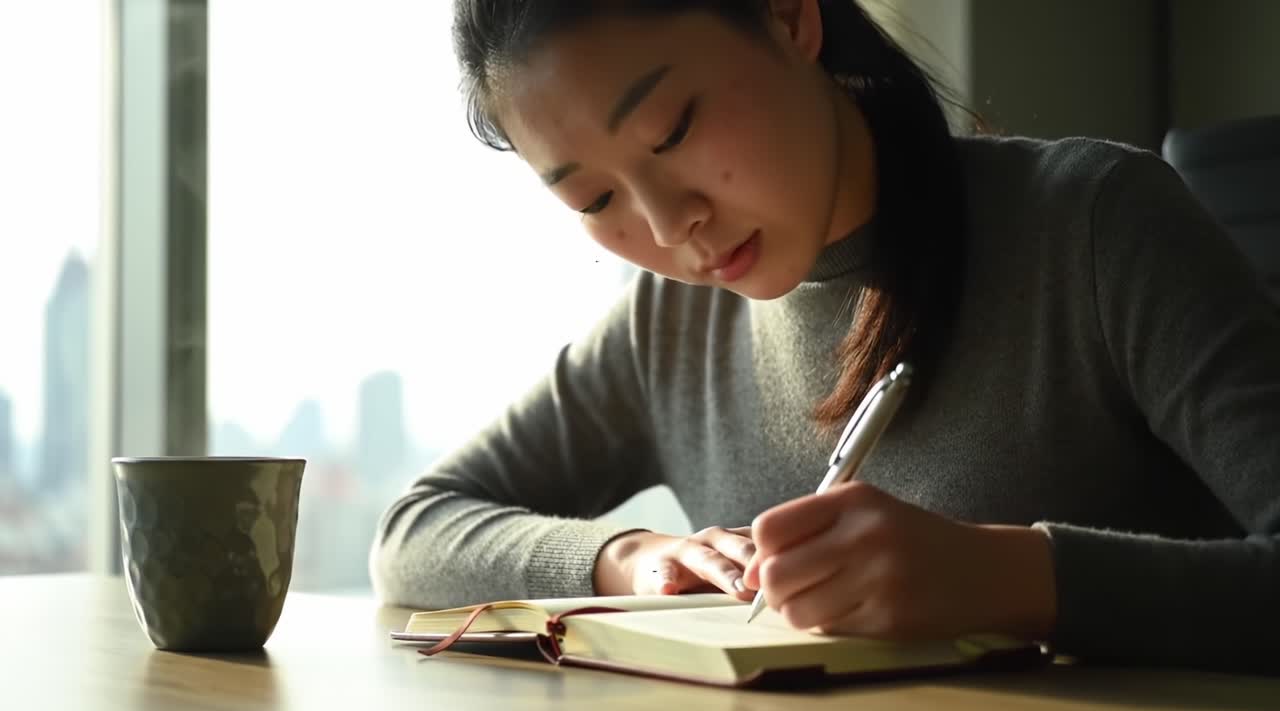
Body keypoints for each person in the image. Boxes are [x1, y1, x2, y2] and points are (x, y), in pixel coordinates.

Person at [370, 0, 1280, 674]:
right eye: (595, 200)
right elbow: (414, 530)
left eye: (674, 129)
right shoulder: (667, 328)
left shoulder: (1092, 226)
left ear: (788, 16)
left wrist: (1017, 578)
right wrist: (628, 558)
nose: (666, 222)